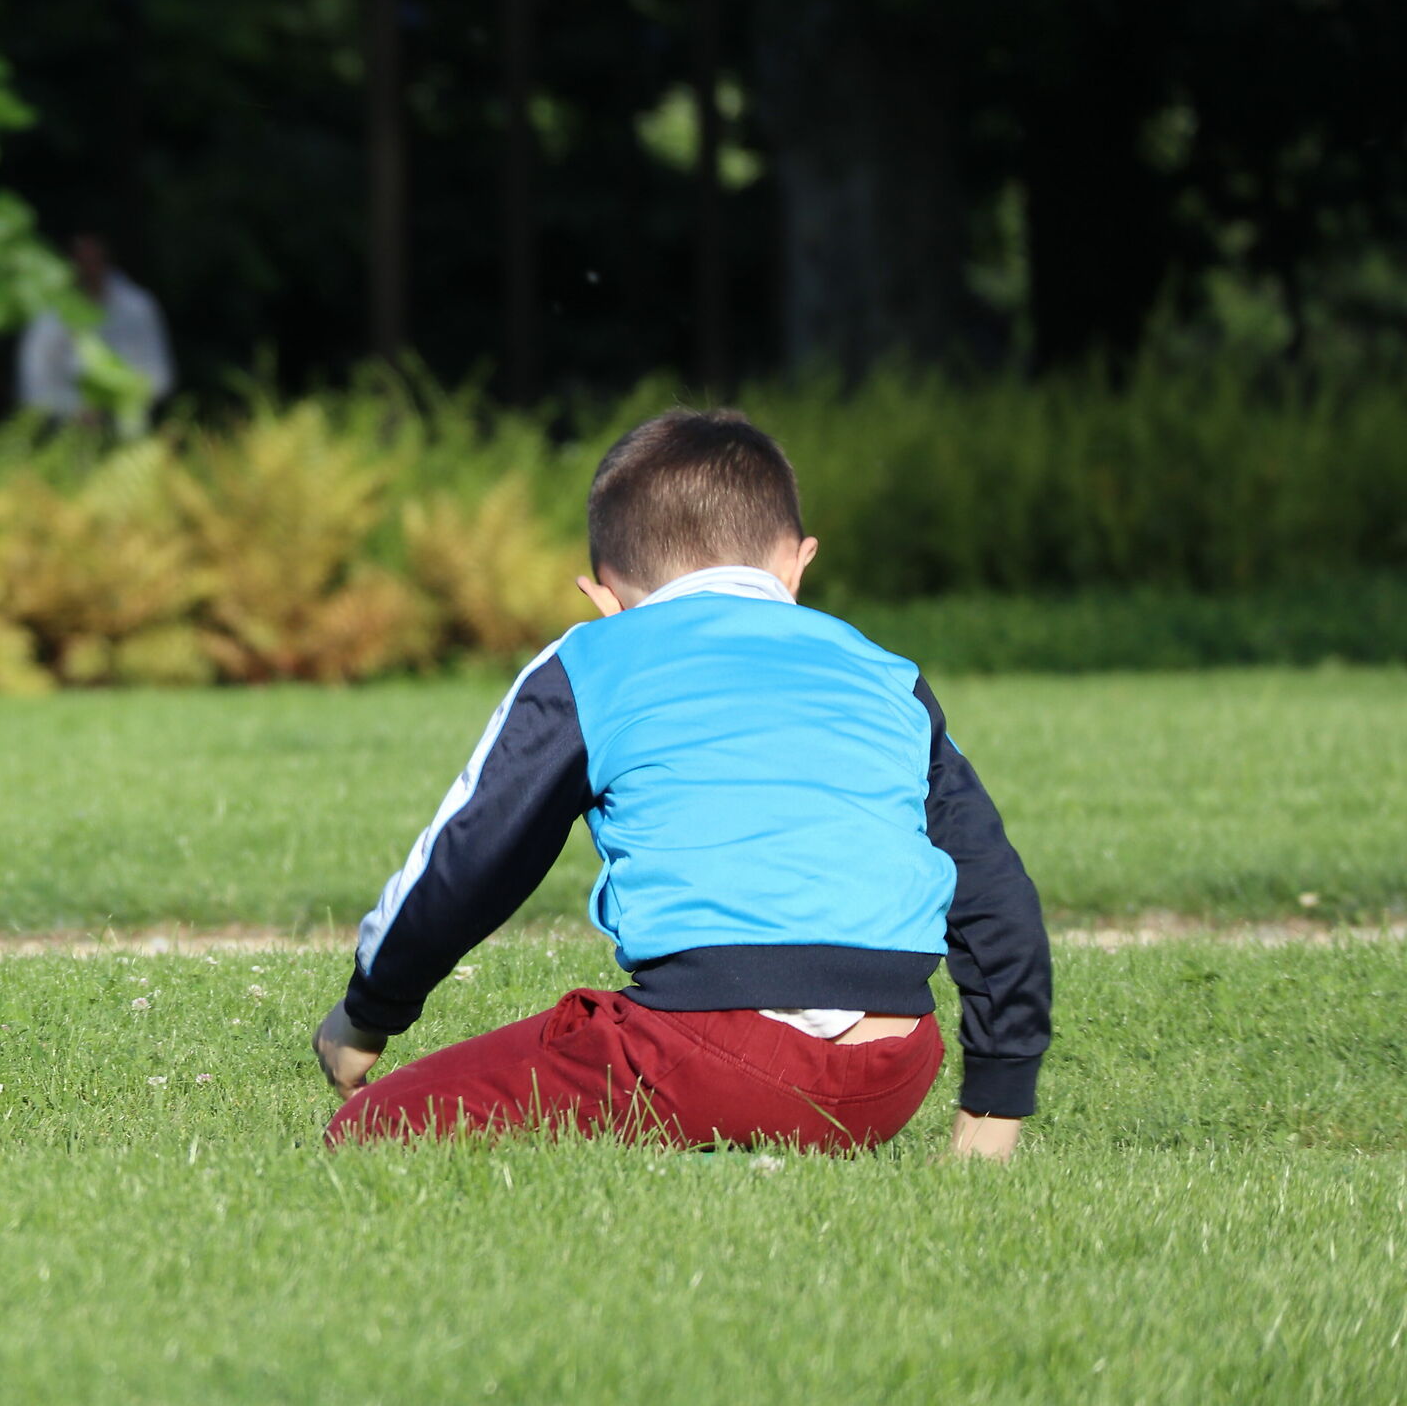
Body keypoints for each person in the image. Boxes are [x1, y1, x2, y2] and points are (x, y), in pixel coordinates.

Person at [315, 409, 1051, 1159]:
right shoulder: (887, 674)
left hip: (703, 1053)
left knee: (370, 1129)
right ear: (798, 564)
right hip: (890, 1074)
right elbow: (993, 891)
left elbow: (471, 856)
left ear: (602, 588)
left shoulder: (596, 657)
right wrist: (992, 1114)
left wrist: (367, 1016)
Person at [16, 232, 174, 427]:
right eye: (83, 263)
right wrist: (75, 408)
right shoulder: (48, 315)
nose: (89, 270)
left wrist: (122, 401)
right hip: (63, 427)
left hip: (131, 422)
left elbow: (160, 376)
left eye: (95, 261)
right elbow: (33, 387)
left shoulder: (137, 306)